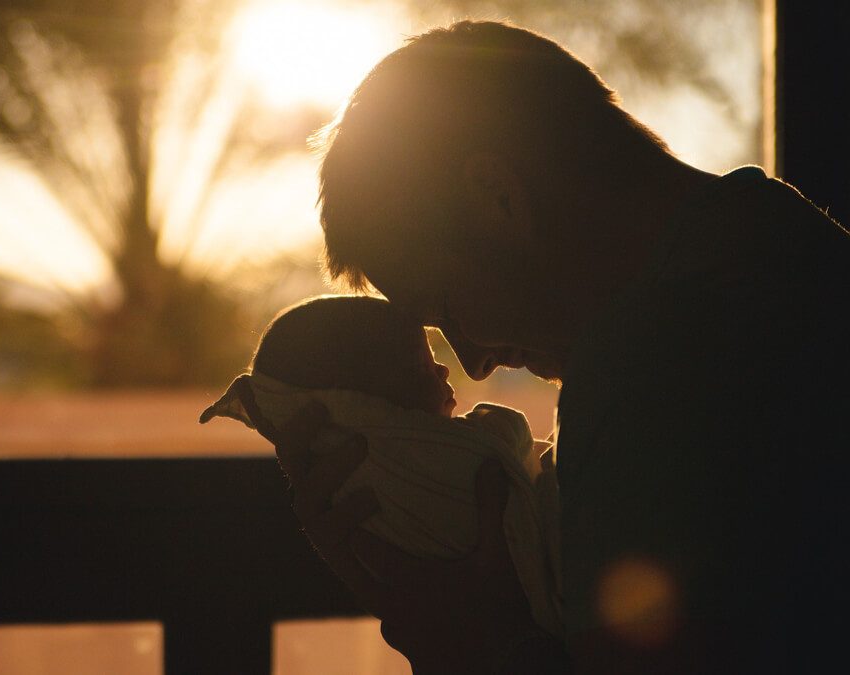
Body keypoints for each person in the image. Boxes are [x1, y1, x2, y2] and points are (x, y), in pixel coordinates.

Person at [275, 19, 850, 674]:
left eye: (447, 309)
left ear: (498, 197)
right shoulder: (784, 240)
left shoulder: (647, 361)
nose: (473, 362)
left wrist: (470, 638)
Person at [199, 295, 564, 639]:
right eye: (419, 367)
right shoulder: (413, 461)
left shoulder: (347, 490)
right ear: (361, 407)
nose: (447, 368)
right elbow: (509, 444)